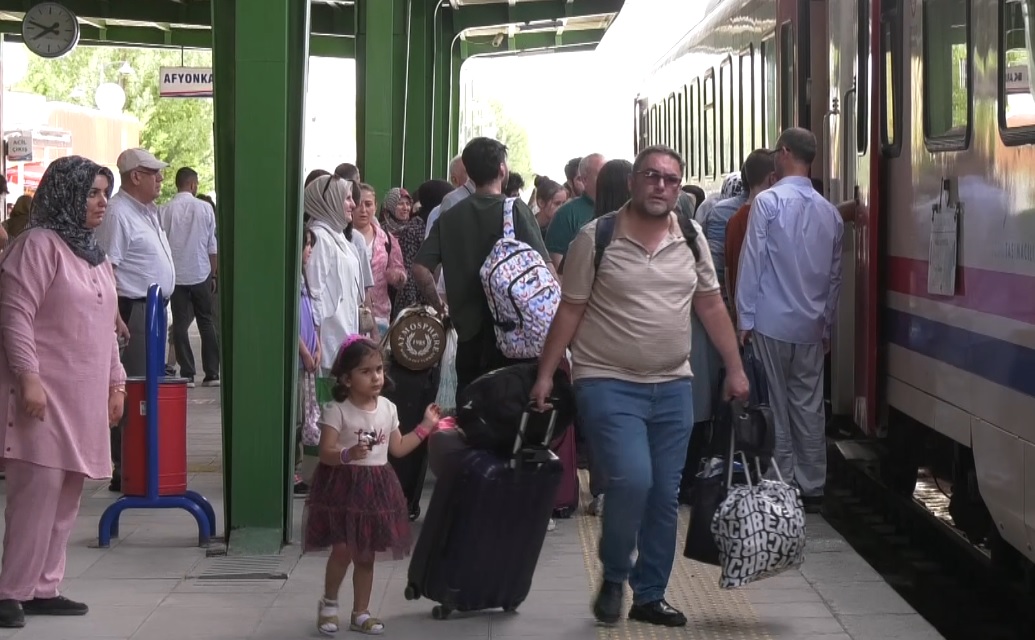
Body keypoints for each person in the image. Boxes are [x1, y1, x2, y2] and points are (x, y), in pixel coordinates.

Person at [531, 144, 749, 627]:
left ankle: (649, 594)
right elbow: (570, 308)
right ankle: (614, 574)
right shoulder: (597, 237)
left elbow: (711, 305)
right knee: (633, 479)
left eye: (672, 180)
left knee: (664, 495)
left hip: (673, 385)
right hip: (608, 382)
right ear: (633, 182)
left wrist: (734, 369)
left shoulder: (690, 236)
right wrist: (547, 373)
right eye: (652, 176)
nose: (662, 186)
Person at [0, 156, 126, 628]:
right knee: (38, 490)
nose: (100, 203)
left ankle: (43, 587)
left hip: (82, 396)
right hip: (41, 395)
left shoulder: (93, 254)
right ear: (66, 194)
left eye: (102, 194)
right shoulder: (36, 246)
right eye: (92, 193)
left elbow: (108, 327)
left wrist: (116, 383)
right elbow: (15, 315)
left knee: (68, 489)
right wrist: (28, 376)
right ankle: (10, 590)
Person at [736, 127, 844, 513]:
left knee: (776, 405)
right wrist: (827, 325)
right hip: (811, 327)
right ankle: (813, 485)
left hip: (770, 322)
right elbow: (834, 277)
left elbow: (753, 262)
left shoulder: (766, 203)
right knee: (809, 406)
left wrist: (744, 318)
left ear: (783, 154)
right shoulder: (830, 213)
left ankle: (781, 484)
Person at [305, 336, 442, 635]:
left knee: (365, 555)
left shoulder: (388, 409)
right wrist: (347, 454)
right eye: (366, 371)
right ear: (346, 378)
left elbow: (399, 448)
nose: (376, 377)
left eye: (379, 369)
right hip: (342, 487)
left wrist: (426, 426)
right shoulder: (337, 410)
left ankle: (361, 612)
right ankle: (329, 604)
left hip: (376, 488)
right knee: (342, 550)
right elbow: (326, 452)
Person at [294, 228, 322, 495]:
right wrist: (304, 351)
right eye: (307, 245)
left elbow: (311, 316)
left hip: (310, 357)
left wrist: (318, 346)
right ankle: (292, 471)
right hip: (300, 359)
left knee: (306, 415)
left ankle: (301, 469)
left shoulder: (303, 279)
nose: (309, 250)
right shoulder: (291, 281)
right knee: (296, 417)